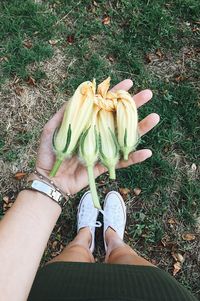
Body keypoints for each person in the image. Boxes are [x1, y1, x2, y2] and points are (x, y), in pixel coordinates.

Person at [0, 80, 197, 301]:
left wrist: (47, 183)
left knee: (74, 255)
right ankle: (112, 238)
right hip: (151, 293)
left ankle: (84, 236)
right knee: (124, 256)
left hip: (58, 291)